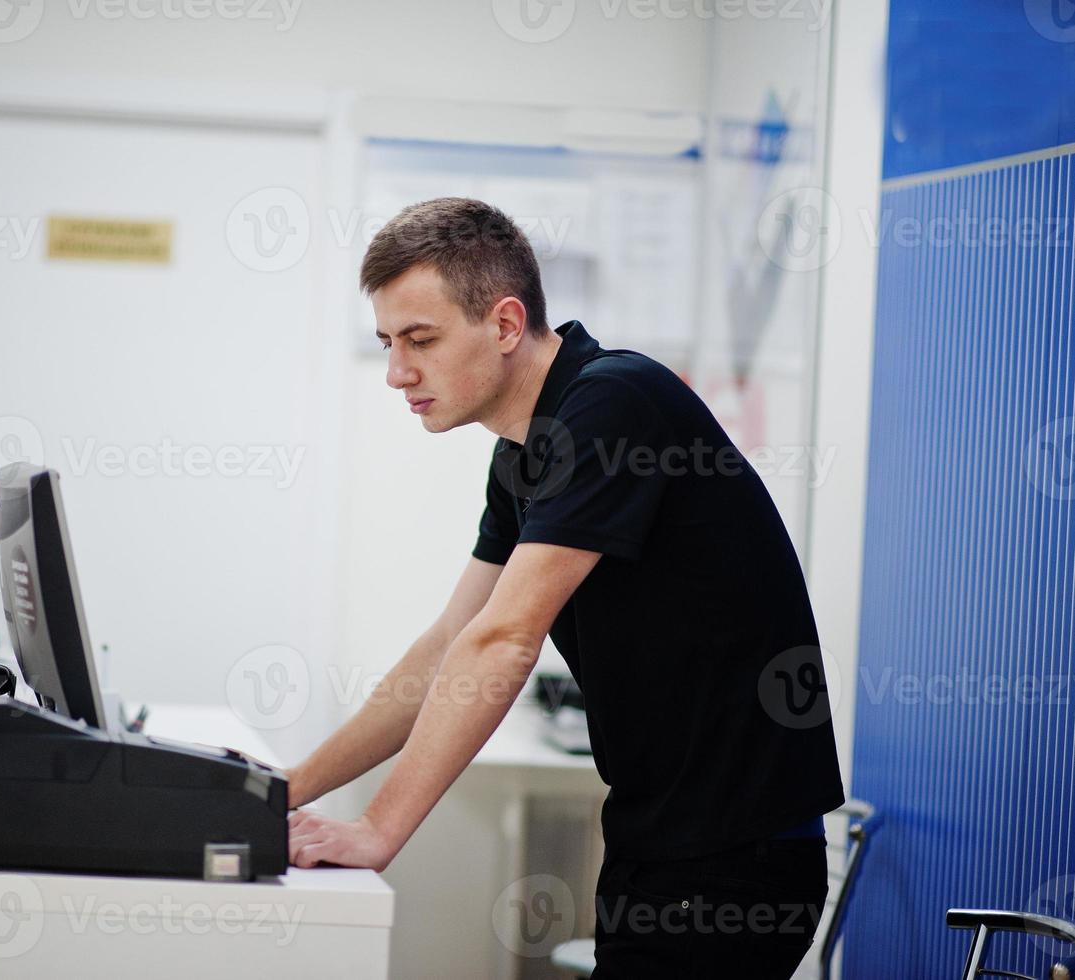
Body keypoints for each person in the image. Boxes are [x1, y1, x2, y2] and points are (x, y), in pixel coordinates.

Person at [282, 197, 845, 978]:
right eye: (386, 342)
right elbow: (450, 642)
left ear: (505, 325)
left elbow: (503, 638)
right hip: (658, 841)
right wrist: (280, 791)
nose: (396, 373)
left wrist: (378, 829)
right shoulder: (524, 451)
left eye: (420, 340)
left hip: (734, 859)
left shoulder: (615, 403)